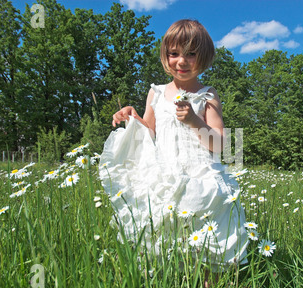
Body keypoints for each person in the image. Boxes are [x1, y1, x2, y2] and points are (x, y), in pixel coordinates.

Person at [99, 19, 248, 272]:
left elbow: (220, 143)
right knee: (166, 229)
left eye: (191, 54)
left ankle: (208, 285)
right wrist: (133, 117)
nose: (181, 61)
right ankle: (171, 277)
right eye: (174, 53)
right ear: (165, 56)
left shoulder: (207, 95)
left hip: (200, 173)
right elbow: (150, 133)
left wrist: (193, 120)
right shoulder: (156, 93)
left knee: (205, 226)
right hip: (165, 172)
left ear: (204, 57)